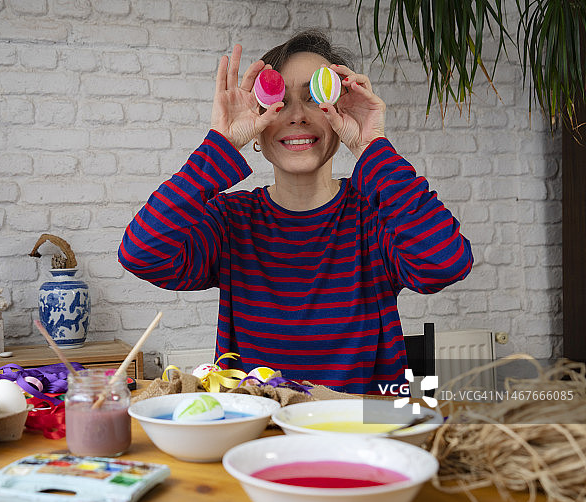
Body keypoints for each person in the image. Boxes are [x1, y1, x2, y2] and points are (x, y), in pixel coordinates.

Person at [118, 29, 473, 395]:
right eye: (279, 102)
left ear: (340, 111)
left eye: (314, 97)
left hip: (361, 432)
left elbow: (446, 264)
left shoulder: (376, 215)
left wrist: (371, 146)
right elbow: (141, 254)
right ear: (258, 126)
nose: (298, 116)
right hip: (260, 434)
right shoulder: (232, 221)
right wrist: (220, 145)